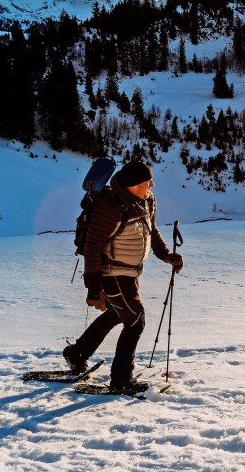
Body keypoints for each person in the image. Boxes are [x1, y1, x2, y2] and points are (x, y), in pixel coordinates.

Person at [63, 161, 183, 393]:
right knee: (135, 319)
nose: (152, 184)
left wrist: (165, 255)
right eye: (147, 181)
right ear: (132, 185)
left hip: (130, 271)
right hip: (112, 273)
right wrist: (94, 287)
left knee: (117, 314)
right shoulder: (110, 207)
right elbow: (92, 247)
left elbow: (152, 228)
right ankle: (121, 379)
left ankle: (77, 354)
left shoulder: (147, 199)